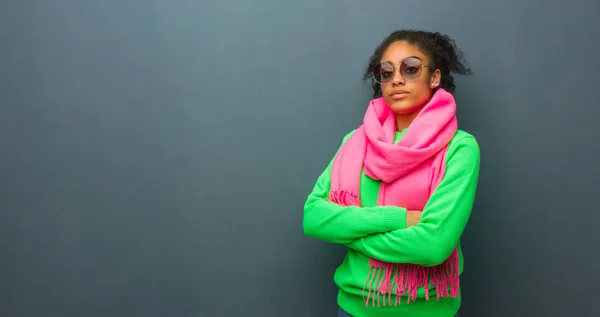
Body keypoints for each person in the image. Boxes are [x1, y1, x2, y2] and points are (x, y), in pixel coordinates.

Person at [302, 29, 480, 317]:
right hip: (354, 309)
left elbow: (432, 246)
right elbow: (313, 217)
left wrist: (349, 234)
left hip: (428, 311)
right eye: (386, 72)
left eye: (410, 68)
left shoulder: (459, 148)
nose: (396, 78)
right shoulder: (355, 143)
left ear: (434, 77)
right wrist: (395, 218)